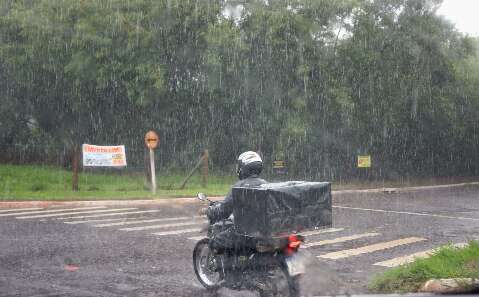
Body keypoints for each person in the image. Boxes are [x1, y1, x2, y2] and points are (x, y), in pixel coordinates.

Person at [205, 151, 267, 252]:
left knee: (214, 242)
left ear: (243, 168)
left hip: (245, 233)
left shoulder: (239, 187)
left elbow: (224, 211)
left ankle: (226, 267)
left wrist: (211, 212)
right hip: (264, 232)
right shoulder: (266, 185)